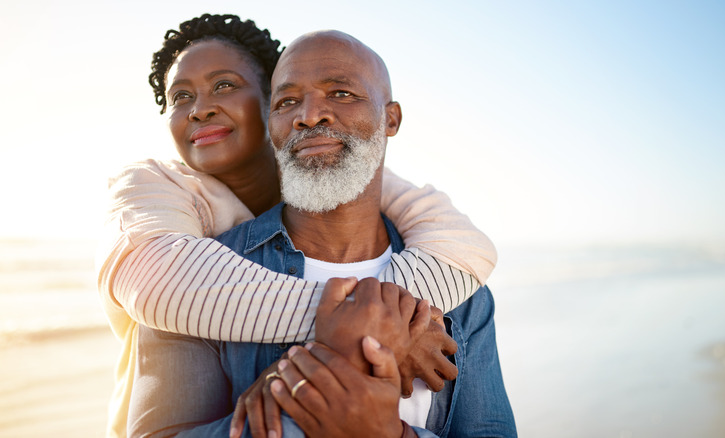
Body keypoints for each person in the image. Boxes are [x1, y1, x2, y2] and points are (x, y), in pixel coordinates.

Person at [97, 14, 498, 438]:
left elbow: (464, 240)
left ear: (391, 120)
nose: (310, 115)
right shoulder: (183, 246)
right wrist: (351, 342)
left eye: (341, 93)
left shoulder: (458, 289)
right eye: (289, 101)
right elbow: (158, 281)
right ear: (276, 117)